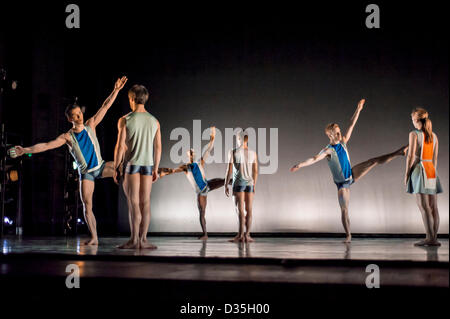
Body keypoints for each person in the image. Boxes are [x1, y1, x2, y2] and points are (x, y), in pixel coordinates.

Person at [12, 76, 128, 245]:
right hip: (86, 174)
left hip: (101, 166)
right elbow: (46, 145)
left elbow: (106, 106)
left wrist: (116, 90)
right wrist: (26, 150)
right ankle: (95, 238)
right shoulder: (68, 137)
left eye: (79, 113)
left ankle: (150, 178)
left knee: (124, 170)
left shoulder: (91, 124)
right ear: (70, 119)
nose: (79, 117)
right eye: (75, 116)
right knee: (87, 206)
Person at [290, 99, 407, 243]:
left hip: (352, 174)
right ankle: (348, 235)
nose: (339, 135)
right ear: (330, 135)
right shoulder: (328, 150)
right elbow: (314, 159)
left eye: (339, 132)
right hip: (342, 184)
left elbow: (351, 124)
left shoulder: (343, 141)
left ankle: (399, 153)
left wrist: (358, 109)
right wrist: (299, 165)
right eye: (336, 133)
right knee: (344, 210)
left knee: (373, 161)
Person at [114, 84, 161, 249]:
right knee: (145, 202)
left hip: (132, 165)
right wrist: (155, 168)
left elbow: (120, 146)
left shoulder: (125, 119)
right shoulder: (154, 121)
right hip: (148, 166)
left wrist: (116, 166)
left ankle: (134, 240)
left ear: (132, 99)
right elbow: (158, 147)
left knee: (133, 202)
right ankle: (144, 240)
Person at [159, 127, 228, 240]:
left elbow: (208, 150)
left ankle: (238, 186)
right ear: (188, 155)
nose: (192, 153)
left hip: (207, 184)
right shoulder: (186, 167)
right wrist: (162, 173)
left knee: (224, 180)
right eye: (190, 152)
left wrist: (213, 138)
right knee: (202, 213)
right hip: (201, 192)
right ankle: (205, 234)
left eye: (193, 152)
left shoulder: (200, 162)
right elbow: (172, 171)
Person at [405, 107, 443, 246]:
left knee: (424, 206)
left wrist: (406, 174)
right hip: (431, 170)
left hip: (419, 170)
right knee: (434, 207)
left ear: (416, 120)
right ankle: (433, 237)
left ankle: (430, 238)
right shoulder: (435, 136)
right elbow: (435, 159)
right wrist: (432, 173)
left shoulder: (414, 134)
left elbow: (411, 156)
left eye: (412, 120)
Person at [225, 132, 258, 243]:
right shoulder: (253, 153)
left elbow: (229, 170)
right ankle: (247, 235)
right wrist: (254, 184)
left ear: (239, 139)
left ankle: (240, 235)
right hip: (250, 184)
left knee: (239, 210)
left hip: (238, 184)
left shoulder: (233, 152)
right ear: (247, 139)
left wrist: (225, 184)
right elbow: (256, 171)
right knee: (249, 211)